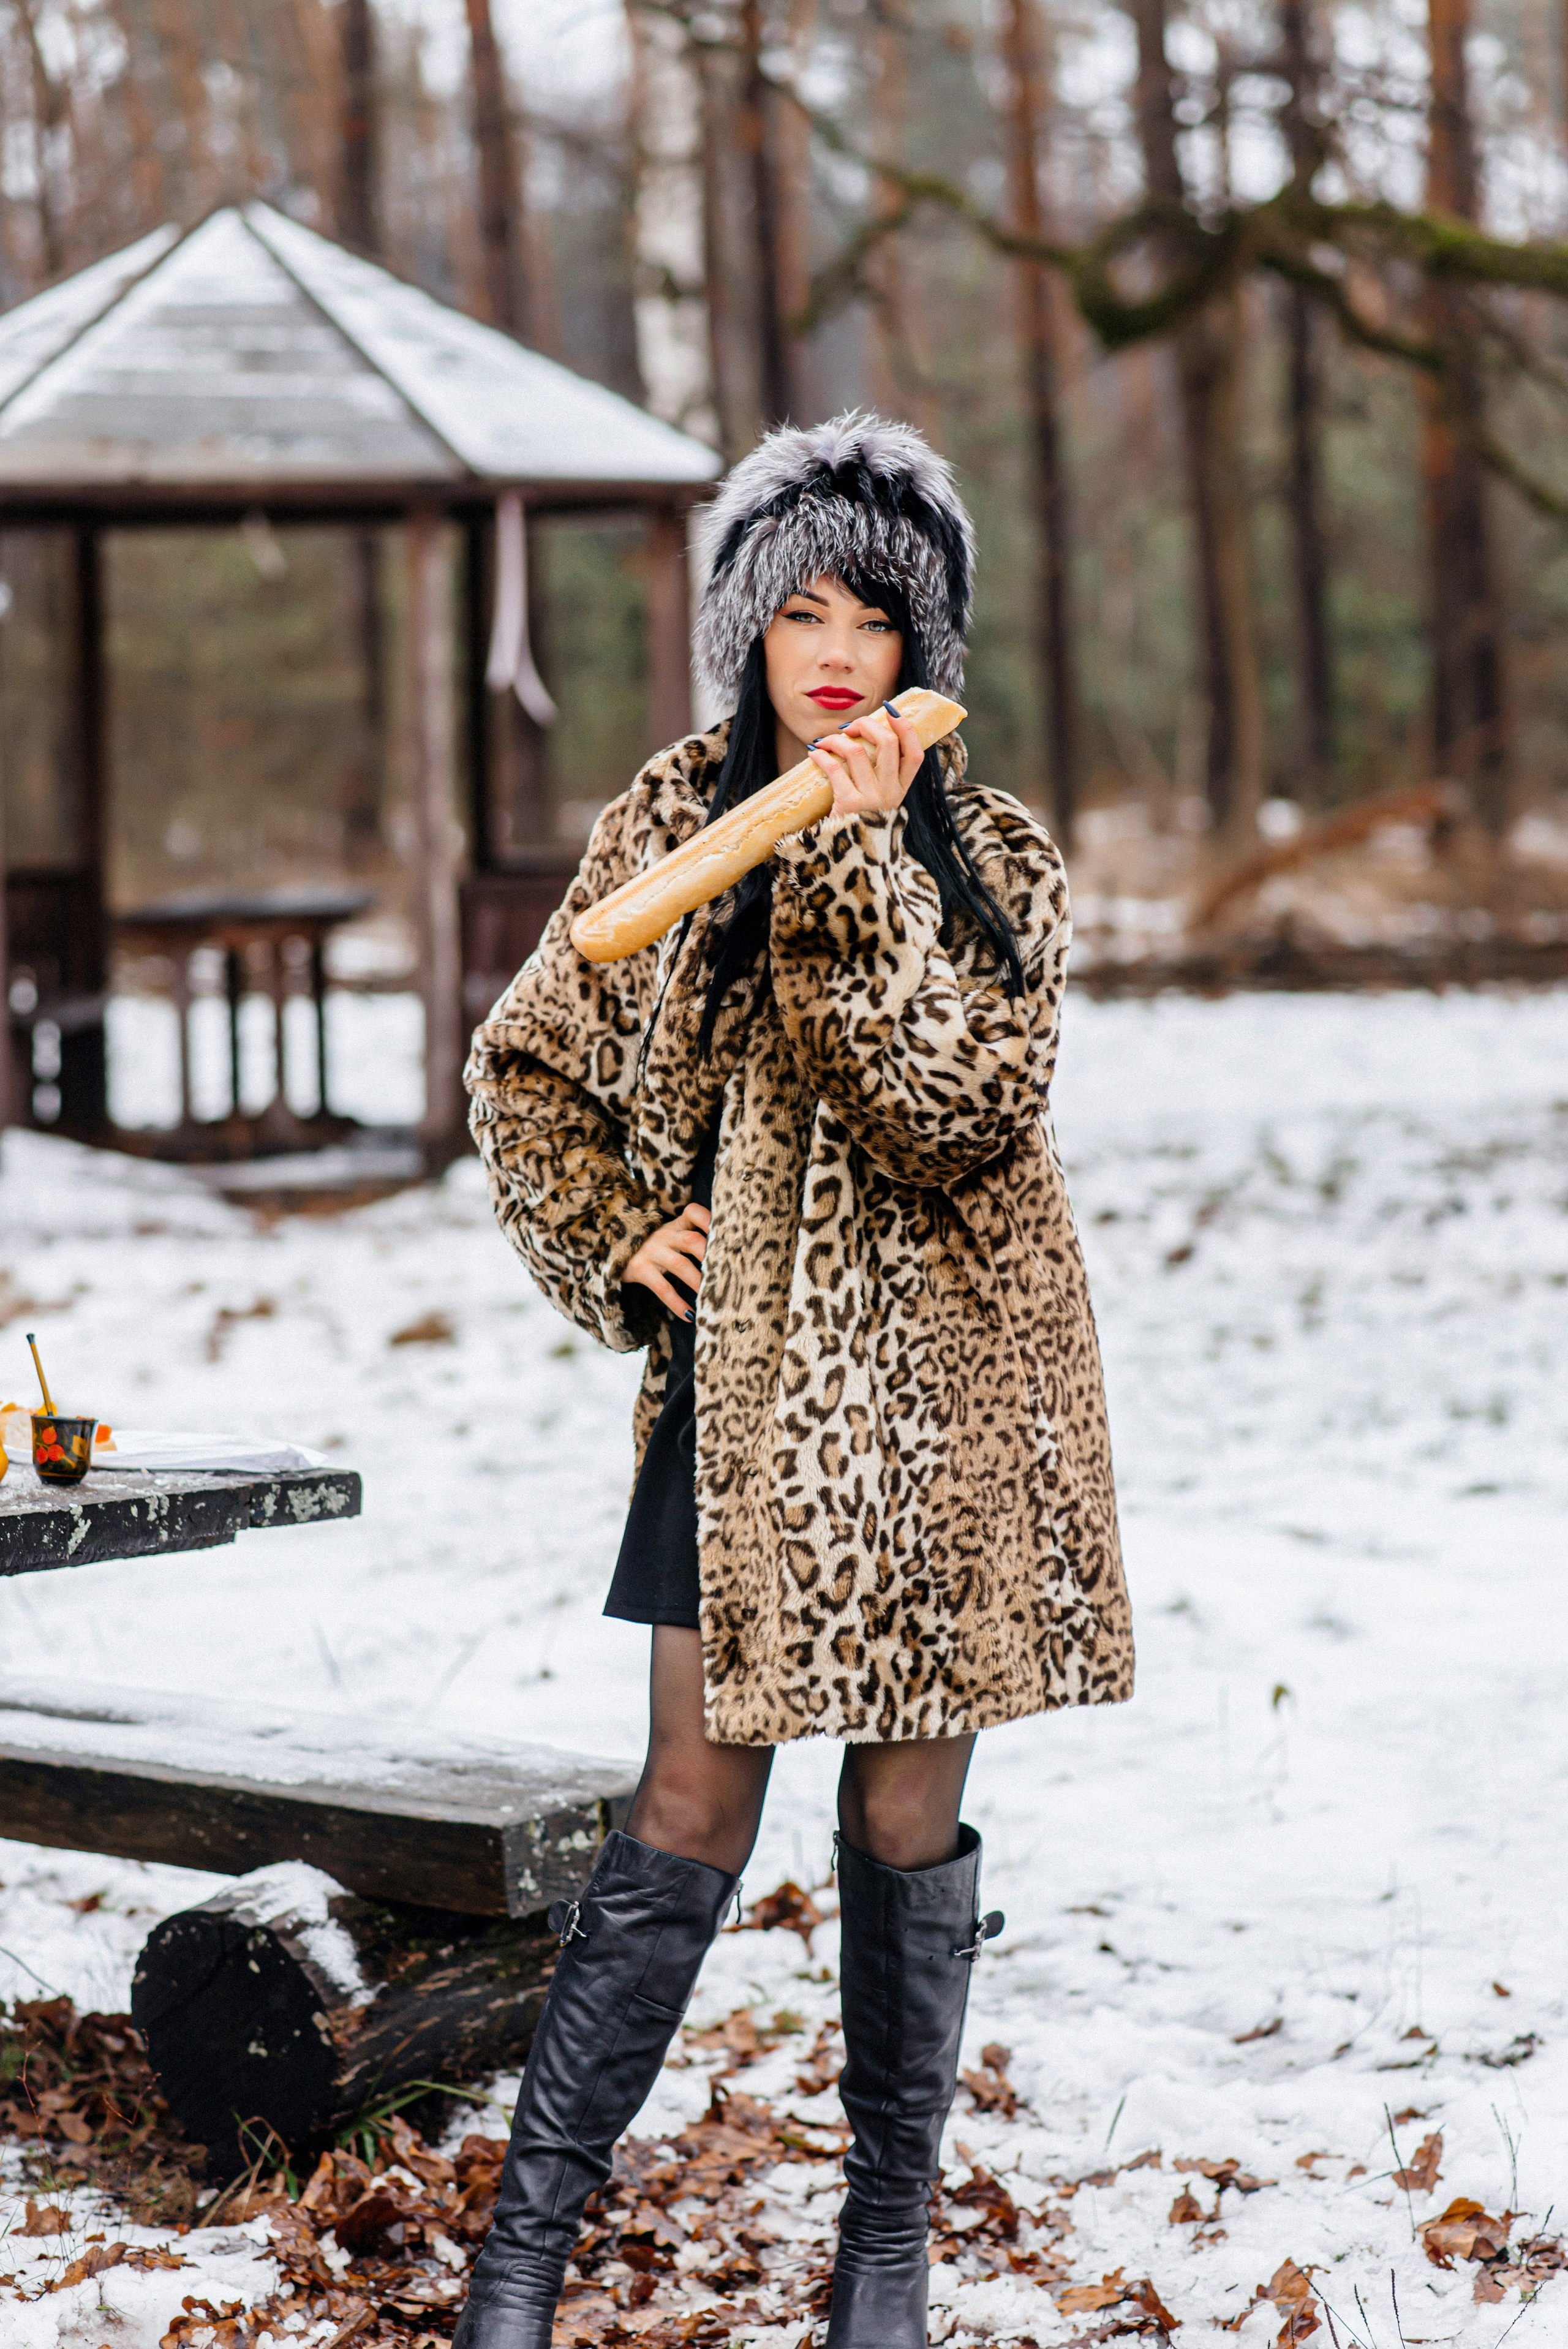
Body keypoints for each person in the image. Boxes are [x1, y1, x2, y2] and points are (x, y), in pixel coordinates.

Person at [457, 412, 1133, 2349]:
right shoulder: (669, 824)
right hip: (745, 1410)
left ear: (925, 648)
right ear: (751, 633)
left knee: (907, 1827)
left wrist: (850, 866)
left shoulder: (996, 857)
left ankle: (886, 2249)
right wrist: (611, 1237)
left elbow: (949, 1110)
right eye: (801, 613)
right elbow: (526, 1072)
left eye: (876, 618)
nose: (837, 654)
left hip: (945, 1412)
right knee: (685, 1804)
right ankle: (525, 2258)